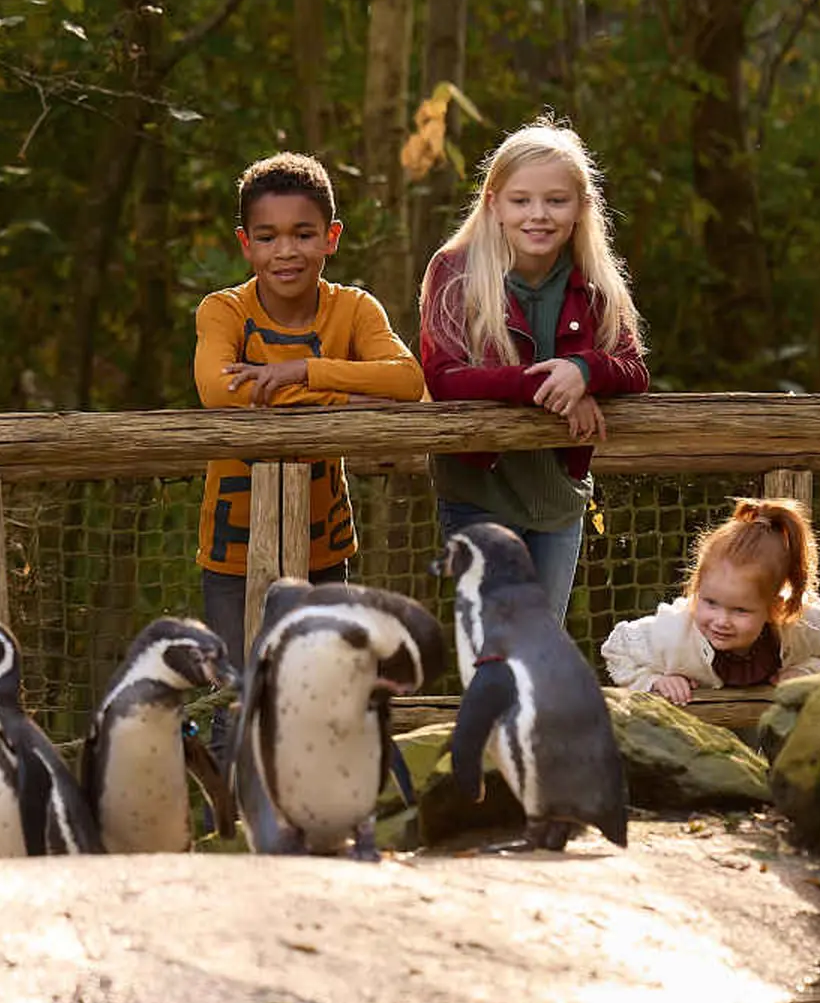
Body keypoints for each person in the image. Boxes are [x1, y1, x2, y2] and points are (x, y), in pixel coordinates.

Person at [414, 122, 650, 627]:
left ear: (582, 207)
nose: (538, 215)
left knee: (542, 648)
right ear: (494, 203)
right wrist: (550, 387)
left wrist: (585, 369)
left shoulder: (594, 282)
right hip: (479, 493)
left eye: (556, 201)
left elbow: (633, 369)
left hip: (559, 499)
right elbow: (445, 376)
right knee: (497, 648)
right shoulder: (455, 271)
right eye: (521, 200)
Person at [193, 151, 426, 650]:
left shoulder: (355, 308)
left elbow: (407, 381)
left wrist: (300, 371)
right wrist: (348, 396)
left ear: (331, 238)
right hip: (233, 546)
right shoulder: (225, 310)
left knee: (324, 684)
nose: (286, 251)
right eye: (267, 236)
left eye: (303, 234)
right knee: (237, 695)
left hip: (325, 544)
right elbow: (218, 391)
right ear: (245, 245)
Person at [601, 496, 820, 707]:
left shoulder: (800, 627)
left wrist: (806, 672)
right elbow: (617, 649)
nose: (721, 621)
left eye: (740, 610)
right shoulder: (674, 634)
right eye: (710, 602)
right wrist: (654, 680)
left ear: (775, 607)